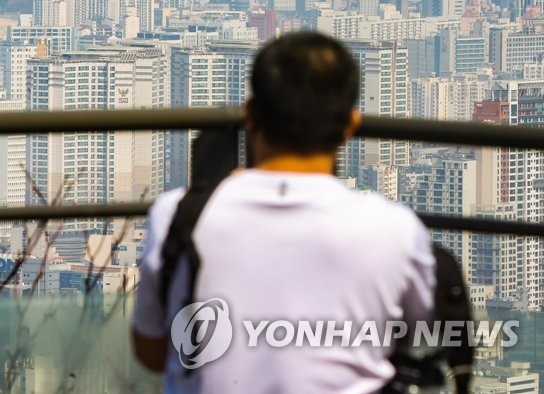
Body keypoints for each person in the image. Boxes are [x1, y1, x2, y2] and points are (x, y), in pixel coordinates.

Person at [132, 31, 436, 393]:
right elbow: (419, 334)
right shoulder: (393, 230)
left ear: (251, 116)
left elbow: (150, 349)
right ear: (350, 126)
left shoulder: (179, 216)